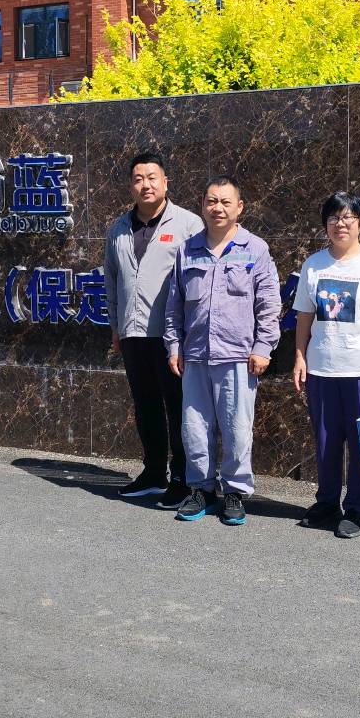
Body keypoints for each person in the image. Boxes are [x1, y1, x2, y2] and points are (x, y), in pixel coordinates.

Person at [163, 176, 281, 526]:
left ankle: (234, 492)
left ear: (239, 207)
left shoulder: (255, 249)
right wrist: (174, 346)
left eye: (226, 202)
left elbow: (269, 304)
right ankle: (200, 489)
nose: (218, 208)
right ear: (202, 206)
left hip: (238, 357)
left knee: (237, 429)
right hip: (196, 355)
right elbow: (174, 305)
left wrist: (263, 347)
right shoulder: (187, 250)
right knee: (194, 429)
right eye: (211, 201)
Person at [291, 191, 360, 538]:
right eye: (334, 217)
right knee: (325, 441)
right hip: (322, 368)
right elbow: (304, 316)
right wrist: (300, 356)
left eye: (348, 217)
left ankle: (355, 508)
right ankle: (326, 503)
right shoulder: (313, 265)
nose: (341, 224)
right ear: (326, 224)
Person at [103, 151, 204, 502]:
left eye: (152, 178)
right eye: (138, 179)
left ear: (165, 182)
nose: (145, 185)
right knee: (145, 404)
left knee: (178, 406)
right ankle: (153, 471)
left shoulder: (189, 225)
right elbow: (112, 281)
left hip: (172, 335)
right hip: (133, 333)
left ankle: (184, 477)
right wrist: (116, 326)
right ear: (131, 186)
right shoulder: (118, 229)